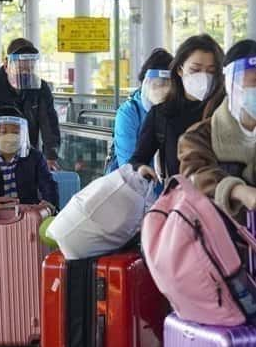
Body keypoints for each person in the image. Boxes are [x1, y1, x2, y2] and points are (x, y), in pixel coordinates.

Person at [130, 34, 225, 182]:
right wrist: (141, 168)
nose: (204, 77)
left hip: (226, 200)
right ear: (180, 70)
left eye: (211, 71)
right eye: (195, 70)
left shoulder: (227, 111)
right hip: (182, 201)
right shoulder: (161, 113)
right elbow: (137, 160)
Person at [179, 39, 256, 221]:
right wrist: (237, 191)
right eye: (254, 81)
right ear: (232, 84)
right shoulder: (198, 137)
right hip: (220, 239)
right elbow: (196, 175)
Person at [0, 38, 61, 170]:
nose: (25, 73)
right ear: (6, 65)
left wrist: (50, 156)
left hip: (29, 154)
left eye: (30, 68)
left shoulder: (41, 88)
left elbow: (48, 122)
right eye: (21, 68)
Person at [106, 48, 173, 172]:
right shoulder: (129, 113)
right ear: (144, 83)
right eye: (158, 84)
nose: (164, 90)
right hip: (139, 184)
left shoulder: (177, 110)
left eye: (169, 84)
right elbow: (128, 166)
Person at [0, 106, 58, 208]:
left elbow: (48, 185)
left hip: (27, 214)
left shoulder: (35, 158)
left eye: (15, 132)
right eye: (3, 132)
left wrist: (50, 205)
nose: (9, 137)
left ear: (23, 133)